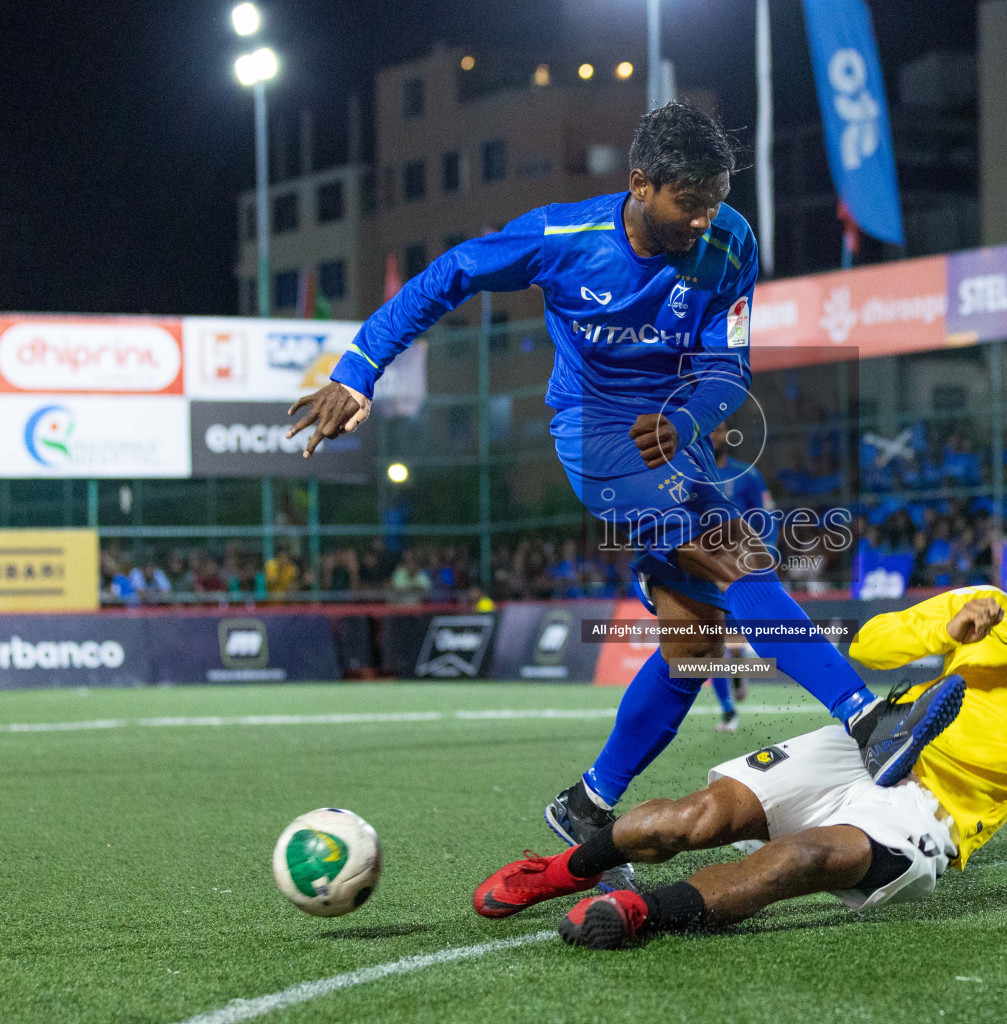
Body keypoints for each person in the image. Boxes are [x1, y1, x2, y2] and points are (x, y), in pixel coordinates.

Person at [286, 101, 962, 881]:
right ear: (641, 185)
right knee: (734, 561)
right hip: (594, 433)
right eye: (691, 202)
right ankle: (869, 720)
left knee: (695, 646)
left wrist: (689, 416)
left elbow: (728, 367)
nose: (707, 218)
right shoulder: (564, 238)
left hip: (676, 434)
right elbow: (452, 274)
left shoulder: (729, 241)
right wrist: (357, 369)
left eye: (716, 199)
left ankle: (587, 805)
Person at [473, 531, 1007, 947]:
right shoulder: (990, 609)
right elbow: (865, 649)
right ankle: (561, 868)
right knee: (686, 821)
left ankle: (636, 913)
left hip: (929, 819)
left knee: (801, 861)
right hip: (869, 744)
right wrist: (954, 622)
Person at [707, 421, 777, 731]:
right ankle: (728, 711)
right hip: (703, 566)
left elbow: (766, 515)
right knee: (711, 643)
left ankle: (737, 670)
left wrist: (769, 550)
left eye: (721, 430)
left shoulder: (747, 475)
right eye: (711, 430)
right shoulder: (689, 475)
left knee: (733, 644)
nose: (716, 435)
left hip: (738, 567)